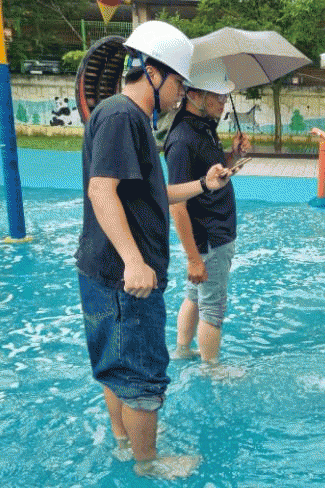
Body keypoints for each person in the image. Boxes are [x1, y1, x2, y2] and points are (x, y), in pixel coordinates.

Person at [75, 21, 233, 479]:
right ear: (153, 72)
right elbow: (101, 190)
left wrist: (204, 184)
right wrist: (134, 261)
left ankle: (125, 443)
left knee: (115, 368)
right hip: (124, 279)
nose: (182, 94)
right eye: (180, 83)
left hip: (107, 272)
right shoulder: (123, 117)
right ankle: (149, 463)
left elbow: (151, 193)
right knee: (141, 373)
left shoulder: (129, 118)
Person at [165, 58, 250, 375]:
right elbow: (177, 204)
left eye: (225, 95)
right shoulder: (182, 140)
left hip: (213, 233)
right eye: (217, 95)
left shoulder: (203, 128)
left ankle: (182, 349)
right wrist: (193, 258)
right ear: (194, 95)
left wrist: (232, 155)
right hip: (209, 236)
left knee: (194, 296)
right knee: (213, 307)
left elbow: (210, 174)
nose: (223, 102)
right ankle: (212, 369)